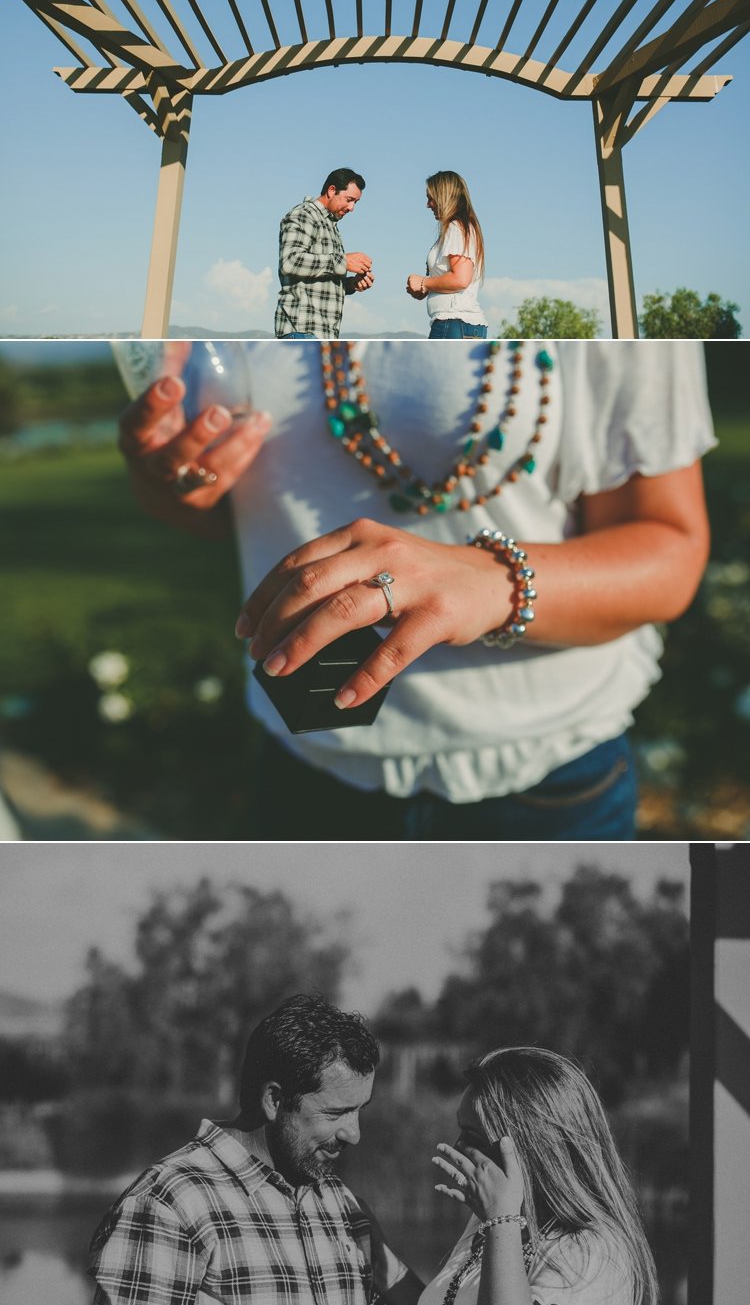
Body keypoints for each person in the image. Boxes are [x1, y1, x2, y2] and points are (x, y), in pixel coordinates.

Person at [118, 339, 715, 841]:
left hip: (545, 785)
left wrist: (489, 580)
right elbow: (227, 502)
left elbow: (669, 549)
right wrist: (169, 481)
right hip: (305, 763)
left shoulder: (590, 267)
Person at [89, 994, 388, 1305]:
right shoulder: (170, 1205)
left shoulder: (341, 1203)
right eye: (335, 1113)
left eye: (360, 1110)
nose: (354, 1133)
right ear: (274, 1100)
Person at [366, 1046, 658, 1305]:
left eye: (473, 1136)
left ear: (534, 1148)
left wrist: (500, 1220)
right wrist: (380, 1260)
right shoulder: (493, 1224)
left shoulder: (592, 1250)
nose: (457, 1145)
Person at [276, 167, 374, 338]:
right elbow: (290, 261)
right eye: (349, 200)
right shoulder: (304, 215)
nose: (352, 208)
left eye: (355, 203)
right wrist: (343, 262)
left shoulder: (330, 225)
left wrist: (351, 284)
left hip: (324, 333)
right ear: (331, 190)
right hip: (302, 330)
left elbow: (321, 284)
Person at [407, 171, 487, 336]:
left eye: (431, 198)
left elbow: (460, 279)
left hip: (453, 323)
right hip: (461, 324)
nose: (428, 204)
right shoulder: (464, 228)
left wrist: (424, 282)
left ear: (443, 196)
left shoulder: (455, 227)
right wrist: (426, 288)